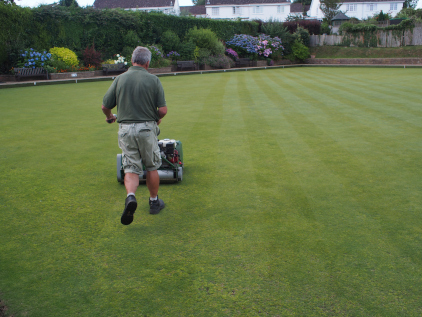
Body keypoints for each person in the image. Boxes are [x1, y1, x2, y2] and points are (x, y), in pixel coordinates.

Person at [101, 46, 168, 225]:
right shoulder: (153, 80)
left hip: (125, 128)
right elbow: (162, 110)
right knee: (151, 166)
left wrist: (109, 117)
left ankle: (131, 197)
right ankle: (154, 202)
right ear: (147, 63)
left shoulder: (120, 79)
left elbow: (105, 106)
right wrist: (156, 118)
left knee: (130, 167)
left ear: (132, 61)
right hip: (146, 129)